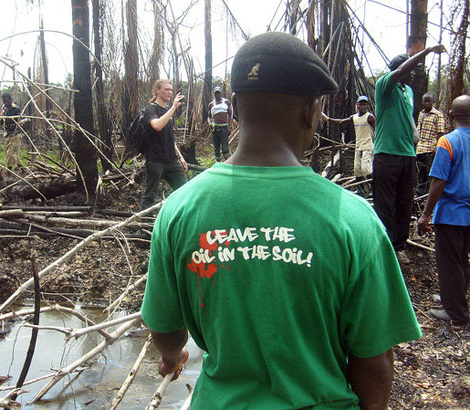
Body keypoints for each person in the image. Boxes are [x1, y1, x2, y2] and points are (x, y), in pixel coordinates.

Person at [141, 32, 421, 409]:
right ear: (311, 111)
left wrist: (172, 357)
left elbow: (165, 327)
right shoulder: (354, 221)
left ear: (235, 107)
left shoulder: (179, 209)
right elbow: (374, 362)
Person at [373, 45, 446, 258]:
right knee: (385, 203)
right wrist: (426, 51)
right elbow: (402, 70)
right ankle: (383, 248)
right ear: (401, 69)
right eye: (411, 70)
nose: (413, 74)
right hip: (386, 154)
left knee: (405, 202)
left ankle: (398, 247)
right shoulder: (385, 85)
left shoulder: (409, 91)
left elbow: (406, 115)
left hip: (407, 155)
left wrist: (415, 133)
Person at [419, 95, 470, 328]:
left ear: (450, 115)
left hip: (451, 214)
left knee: (449, 262)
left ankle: (456, 314)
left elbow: (438, 181)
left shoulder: (447, 142)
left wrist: (425, 214)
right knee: (462, 260)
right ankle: (453, 298)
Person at [141, 79, 188, 210]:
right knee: (149, 196)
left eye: (171, 90)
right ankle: (143, 224)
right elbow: (157, 126)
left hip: (172, 160)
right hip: (155, 161)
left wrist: (180, 157)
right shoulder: (151, 108)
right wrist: (173, 107)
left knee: (185, 191)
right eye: (166, 89)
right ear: (157, 90)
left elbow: (169, 137)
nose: (169, 92)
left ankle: (181, 217)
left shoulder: (168, 111)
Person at [322, 95, 375, 196]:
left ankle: (374, 190)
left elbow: (377, 129)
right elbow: (341, 122)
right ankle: (361, 189)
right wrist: (328, 119)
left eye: (364, 104)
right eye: (360, 104)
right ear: (357, 105)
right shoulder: (354, 117)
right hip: (358, 146)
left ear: (367, 106)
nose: (362, 106)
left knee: (367, 169)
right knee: (357, 170)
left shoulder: (370, 117)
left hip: (367, 147)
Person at [415, 93, 445, 196]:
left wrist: (437, 147)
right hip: (420, 148)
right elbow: (418, 130)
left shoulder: (437, 115)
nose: (427, 103)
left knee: (430, 172)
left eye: (429, 101)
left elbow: (440, 133)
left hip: (430, 148)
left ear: (432, 102)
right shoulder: (421, 114)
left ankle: (431, 194)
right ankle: (420, 194)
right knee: (421, 172)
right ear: (422, 102)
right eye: (425, 101)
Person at [0, 93, 28, 170]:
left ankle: (9, 170)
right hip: (7, 134)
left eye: (7, 101)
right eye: (4, 101)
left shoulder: (16, 109)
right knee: (11, 154)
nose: (5, 103)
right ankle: (23, 169)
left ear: (10, 100)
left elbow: (26, 118)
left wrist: (21, 122)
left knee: (11, 154)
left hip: (15, 134)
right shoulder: (4, 109)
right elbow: (1, 121)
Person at [208, 86, 233, 162]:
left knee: (225, 148)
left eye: (218, 93)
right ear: (214, 94)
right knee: (216, 147)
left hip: (224, 127)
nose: (217, 95)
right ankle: (218, 163)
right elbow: (209, 117)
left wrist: (230, 126)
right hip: (215, 128)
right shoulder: (211, 104)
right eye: (216, 93)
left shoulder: (226, 102)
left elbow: (230, 114)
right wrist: (210, 123)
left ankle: (228, 164)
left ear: (221, 93)